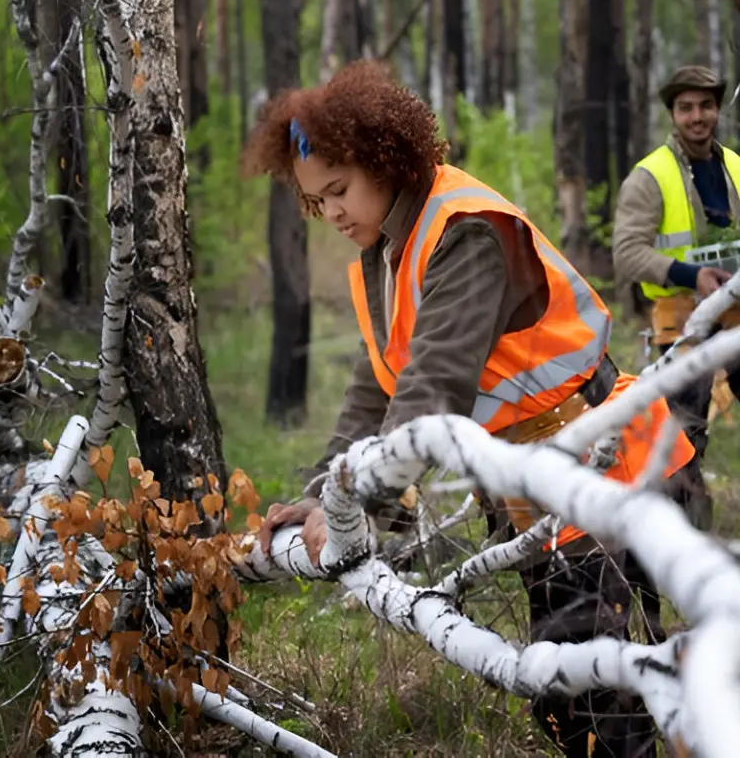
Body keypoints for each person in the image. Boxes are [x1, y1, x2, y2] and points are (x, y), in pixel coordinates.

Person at [242, 60, 703, 757]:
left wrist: (360, 503)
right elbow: (380, 382)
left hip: (607, 464)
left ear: (384, 160)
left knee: (598, 702)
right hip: (539, 484)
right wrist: (321, 496)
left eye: (339, 191)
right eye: (315, 202)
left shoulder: (464, 231)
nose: (331, 213)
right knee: (570, 699)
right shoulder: (387, 250)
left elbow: (434, 385)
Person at [613, 64, 740, 464]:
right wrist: (693, 276)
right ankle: (685, 520)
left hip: (737, 315)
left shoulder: (736, 166)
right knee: (683, 441)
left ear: (718, 109)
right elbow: (628, 252)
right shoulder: (650, 176)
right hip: (682, 321)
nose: (697, 116)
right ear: (673, 113)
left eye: (705, 106)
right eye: (686, 108)